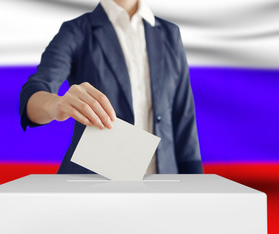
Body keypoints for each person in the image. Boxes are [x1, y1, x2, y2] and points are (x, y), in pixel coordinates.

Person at [19, 0, 203, 174]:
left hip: (162, 183)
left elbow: (183, 119)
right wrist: (56, 105)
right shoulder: (77, 31)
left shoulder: (170, 34)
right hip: (96, 185)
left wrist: (195, 192)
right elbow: (34, 93)